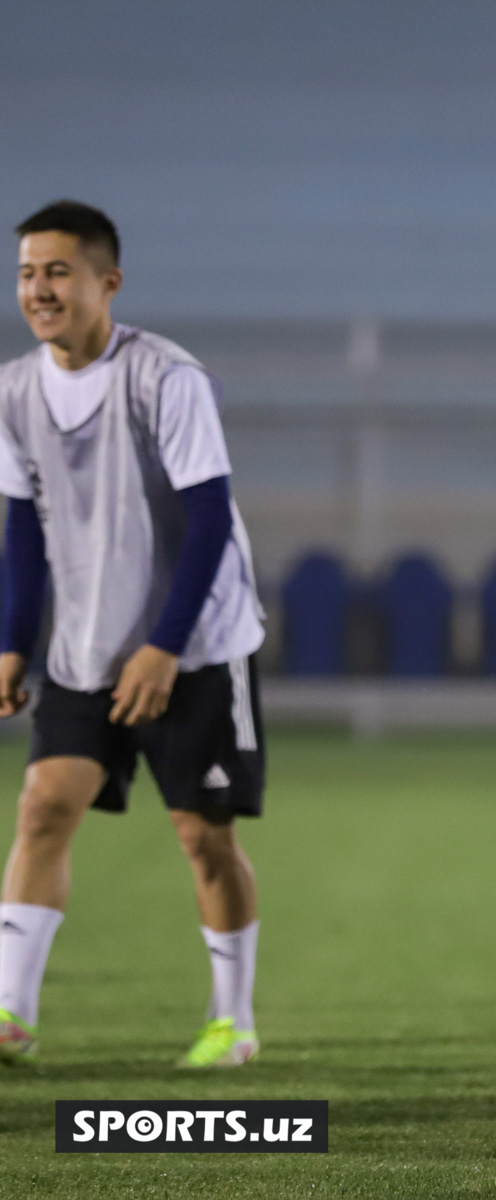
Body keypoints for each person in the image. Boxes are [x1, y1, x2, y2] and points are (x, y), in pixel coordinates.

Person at [0, 201, 266, 1068]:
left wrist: (163, 645)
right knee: (42, 810)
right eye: (28, 272)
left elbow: (210, 522)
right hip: (84, 650)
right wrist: (12, 642)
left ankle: (232, 1022)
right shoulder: (13, 390)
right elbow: (23, 531)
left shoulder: (164, 378)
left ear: (106, 282)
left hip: (194, 648)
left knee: (203, 835)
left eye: (58, 272)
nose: (39, 290)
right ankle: (10, 1013)